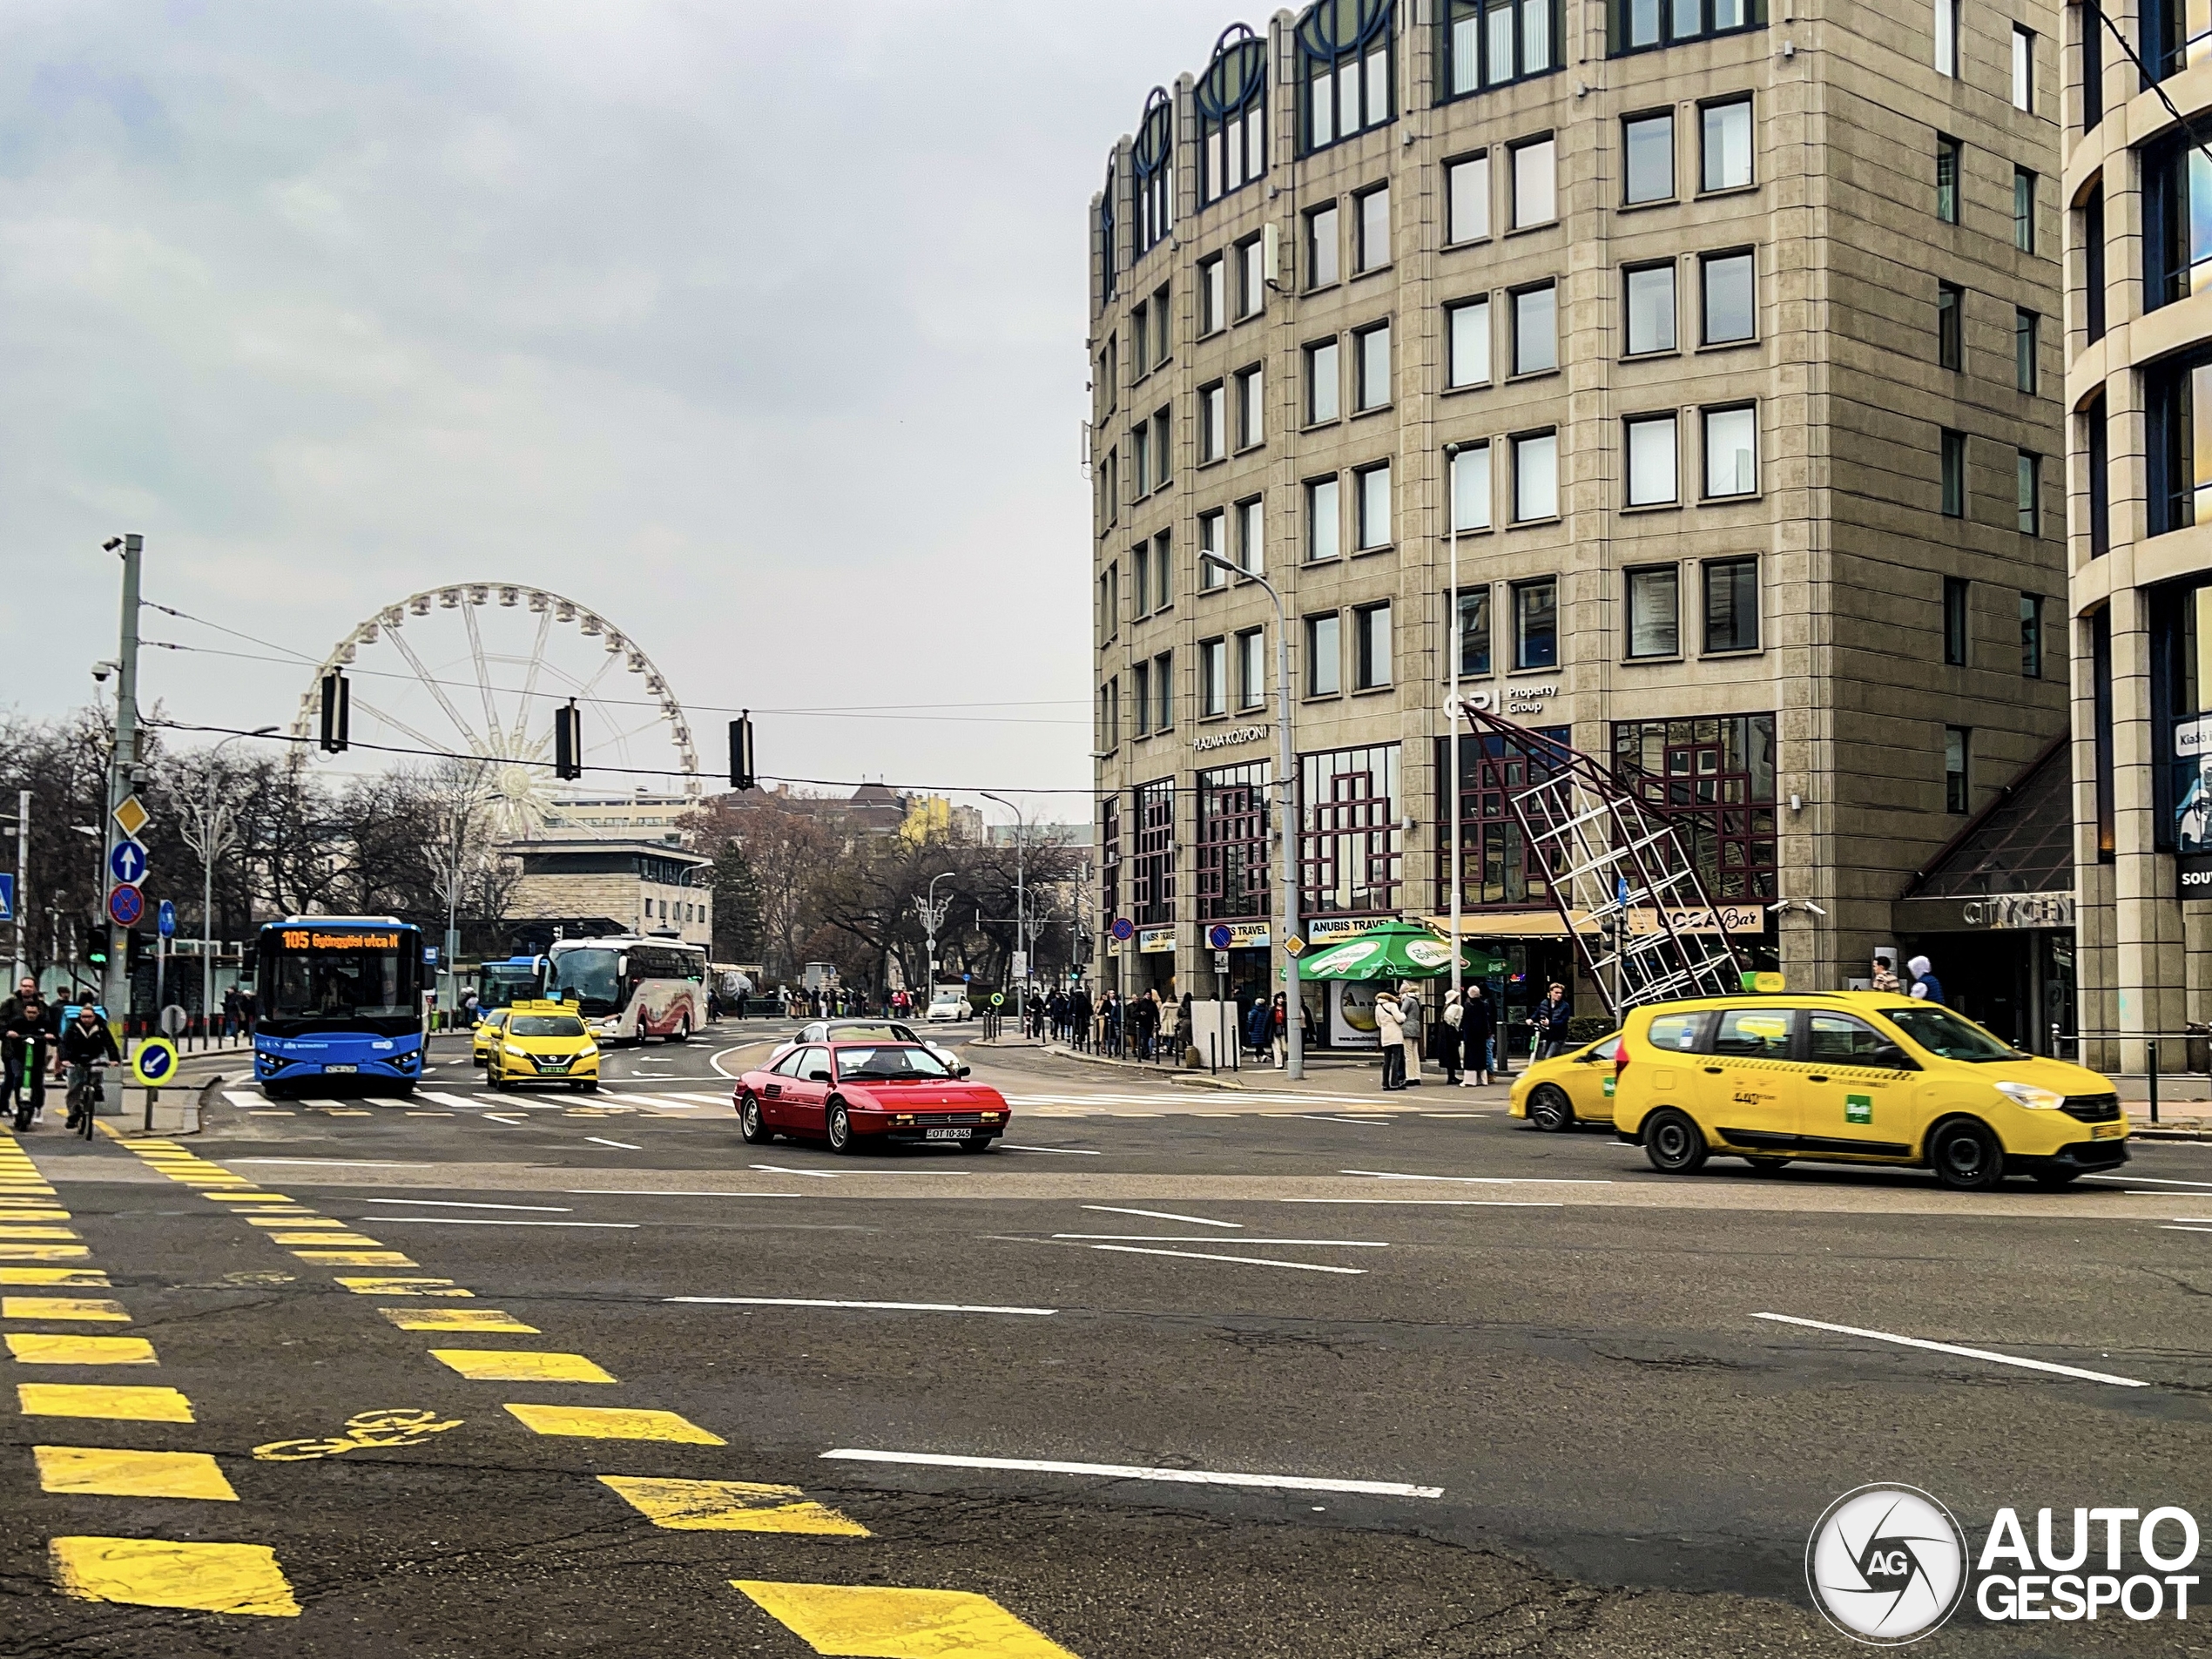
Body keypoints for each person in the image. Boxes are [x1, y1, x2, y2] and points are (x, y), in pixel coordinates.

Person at [2, 978, 53, 1130]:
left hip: (36, 1051)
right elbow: (2, 1023)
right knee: (13, 1078)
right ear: (20, 987)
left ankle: (37, 1107)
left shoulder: (43, 1006)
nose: (27, 989)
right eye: (24, 986)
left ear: (35, 988)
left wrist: (50, 1036)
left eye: (30, 986)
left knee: (37, 1080)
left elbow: (49, 1025)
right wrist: (7, 1033)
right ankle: (7, 1106)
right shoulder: (10, 1004)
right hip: (13, 1050)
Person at [58, 1006, 121, 1130]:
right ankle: (74, 1113)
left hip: (95, 1056)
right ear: (80, 1017)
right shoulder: (73, 1028)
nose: (86, 1019)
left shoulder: (101, 1028)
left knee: (97, 1069)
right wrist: (64, 1059)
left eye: (89, 1017)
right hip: (76, 1058)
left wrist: (114, 1059)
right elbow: (64, 1044)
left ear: (94, 1017)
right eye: (84, 1017)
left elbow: (110, 1043)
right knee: (75, 1087)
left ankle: (97, 1087)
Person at [1462, 983, 1497, 1086]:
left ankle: (1470, 1080)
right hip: (1482, 1036)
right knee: (1483, 1057)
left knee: (1471, 1059)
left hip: (1472, 1037)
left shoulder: (1468, 1007)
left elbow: (1467, 1023)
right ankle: (1484, 1079)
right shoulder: (1484, 1005)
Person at [1532, 982, 1573, 1062]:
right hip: (1547, 1035)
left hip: (1559, 1036)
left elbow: (1562, 1021)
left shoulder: (1565, 1006)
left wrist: (1549, 1023)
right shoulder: (1544, 1003)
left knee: (1548, 1057)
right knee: (1551, 1056)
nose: (1559, 995)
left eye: (1560, 993)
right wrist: (1531, 1020)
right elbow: (1538, 1013)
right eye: (1556, 993)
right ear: (1551, 992)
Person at [1374, 987, 1406, 1090]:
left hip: (1385, 1035)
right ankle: (1394, 1082)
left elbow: (1378, 1023)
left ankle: (1385, 1083)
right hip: (1395, 1034)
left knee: (1387, 1060)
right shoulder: (1392, 1005)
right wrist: (1403, 1015)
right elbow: (1400, 1019)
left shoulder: (1378, 1007)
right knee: (1396, 1059)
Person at [1434, 988, 1465, 1085]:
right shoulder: (1456, 1008)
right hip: (1452, 1033)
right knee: (1452, 1053)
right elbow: (1457, 1021)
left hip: (1445, 1034)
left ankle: (1451, 1076)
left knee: (1448, 1054)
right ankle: (1452, 1077)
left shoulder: (1446, 1008)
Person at [1398, 982, 1426, 1087]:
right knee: (1415, 1054)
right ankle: (1417, 1076)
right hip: (1416, 1027)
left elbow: (1402, 1012)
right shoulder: (1418, 1001)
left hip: (1407, 1028)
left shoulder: (1408, 1000)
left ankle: (1410, 1077)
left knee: (1408, 1054)